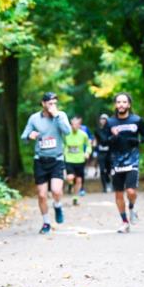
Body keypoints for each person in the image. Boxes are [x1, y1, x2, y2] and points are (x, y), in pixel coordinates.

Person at [21, 92, 71, 234]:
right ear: (43, 103)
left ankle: (57, 205)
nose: (52, 106)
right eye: (50, 103)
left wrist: (57, 115)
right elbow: (24, 137)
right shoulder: (34, 118)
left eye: (55, 103)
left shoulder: (61, 116)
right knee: (42, 195)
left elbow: (67, 131)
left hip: (57, 159)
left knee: (56, 190)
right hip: (40, 160)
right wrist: (29, 136)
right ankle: (46, 223)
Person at [106, 93, 144, 233]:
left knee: (130, 191)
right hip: (116, 161)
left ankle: (132, 208)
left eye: (124, 102)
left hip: (132, 159)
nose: (121, 105)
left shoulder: (137, 120)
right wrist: (113, 137)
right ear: (115, 105)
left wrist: (138, 141)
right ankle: (124, 222)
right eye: (118, 102)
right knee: (118, 194)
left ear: (129, 104)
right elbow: (104, 141)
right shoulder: (110, 122)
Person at [63, 115, 92, 205]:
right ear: (71, 125)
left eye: (77, 124)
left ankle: (75, 197)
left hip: (80, 160)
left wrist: (87, 152)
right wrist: (63, 152)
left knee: (79, 180)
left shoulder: (83, 135)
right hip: (69, 159)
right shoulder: (66, 134)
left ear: (80, 125)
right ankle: (71, 183)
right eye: (73, 124)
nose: (74, 126)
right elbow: (62, 145)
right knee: (70, 177)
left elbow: (88, 145)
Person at [94, 113, 113, 193]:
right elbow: (96, 141)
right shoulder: (97, 130)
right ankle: (104, 187)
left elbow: (112, 140)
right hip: (101, 152)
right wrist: (94, 151)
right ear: (100, 120)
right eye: (102, 119)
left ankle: (109, 181)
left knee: (109, 170)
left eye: (105, 119)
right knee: (102, 170)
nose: (103, 120)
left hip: (109, 152)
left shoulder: (111, 129)